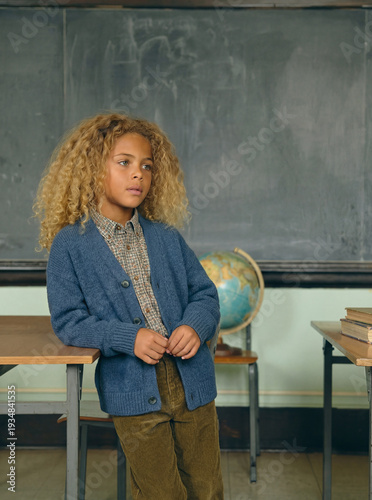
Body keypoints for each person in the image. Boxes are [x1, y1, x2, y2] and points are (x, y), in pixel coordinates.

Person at [34, 113, 224, 499]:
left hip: (194, 385)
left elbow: (205, 293)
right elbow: (70, 322)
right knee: (159, 492)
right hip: (132, 389)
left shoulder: (166, 237)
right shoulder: (70, 246)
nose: (138, 174)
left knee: (207, 488)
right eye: (124, 162)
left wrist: (194, 325)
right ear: (91, 169)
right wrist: (128, 337)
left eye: (147, 166)